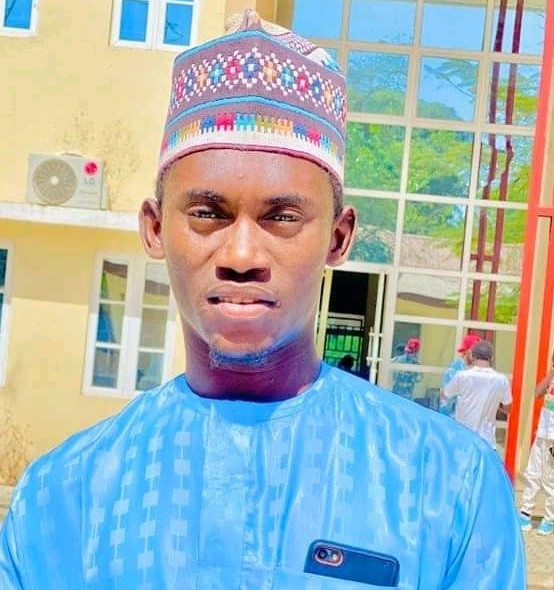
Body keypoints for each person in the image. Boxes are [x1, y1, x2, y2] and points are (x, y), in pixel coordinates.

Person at [0, 10, 525, 589]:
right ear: (155, 228)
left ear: (338, 237)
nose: (242, 254)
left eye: (282, 217)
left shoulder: (445, 484)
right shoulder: (63, 499)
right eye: (207, 213)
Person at [442, 340, 512, 449]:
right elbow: (508, 408)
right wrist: (493, 402)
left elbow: (445, 394)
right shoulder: (501, 380)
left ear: (472, 356)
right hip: (486, 441)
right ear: (491, 358)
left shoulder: (462, 376)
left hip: (463, 438)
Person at [518, 348, 554, 535]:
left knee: (550, 479)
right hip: (542, 433)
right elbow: (537, 392)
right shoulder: (552, 378)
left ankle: (549, 518)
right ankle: (525, 513)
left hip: (553, 438)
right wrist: (551, 374)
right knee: (532, 473)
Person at [439, 333, 482, 417]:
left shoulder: (479, 371)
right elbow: (445, 398)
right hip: (454, 419)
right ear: (465, 351)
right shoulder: (454, 370)